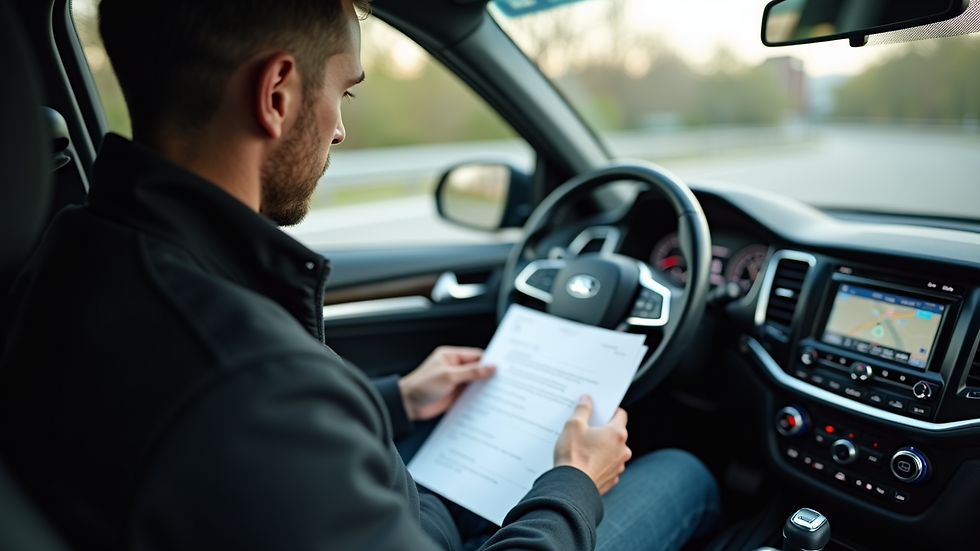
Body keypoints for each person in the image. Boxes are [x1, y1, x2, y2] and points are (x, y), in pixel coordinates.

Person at [0, 0, 721, 550]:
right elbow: (262, 415)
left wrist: (398, 399)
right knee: (687, 468)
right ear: (277, 92)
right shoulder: (248, 383)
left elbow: (277, 440)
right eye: (343, 93)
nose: (340, 130)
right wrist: (573, 483)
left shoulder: (80, 252)